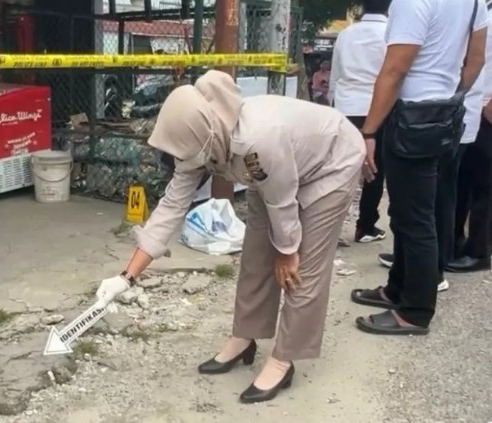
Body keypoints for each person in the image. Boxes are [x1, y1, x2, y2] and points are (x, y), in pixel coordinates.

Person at [95, 70, 366, 404]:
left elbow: (282, 202)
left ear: (205, 140)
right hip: (272, 173)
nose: (180, 161)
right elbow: (171, 207)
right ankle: (245, 338)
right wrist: (127, 277)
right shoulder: (200, 139)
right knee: (255, 256)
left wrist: (287, 251)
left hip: (330, 163)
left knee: (302, 267)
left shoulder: (256, 140)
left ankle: (284, 359)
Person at [351, 0, 487, 335]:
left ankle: (414, 311)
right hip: (445, 115)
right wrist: (452, 95)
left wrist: (369, 131)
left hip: (412, 117)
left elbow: (395, 70)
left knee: (415, 219)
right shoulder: (471, 3)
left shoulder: (413, 2)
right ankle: (396, 288)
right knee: (410, 211)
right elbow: (476, 59)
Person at [329, 0, 391, 243]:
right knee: (375, 170)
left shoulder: (346, 34)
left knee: (340, 170)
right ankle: (365, 225)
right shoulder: (391, 34)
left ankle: (329, 228)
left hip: (346, 107)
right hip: (378, 108)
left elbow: (336, 75)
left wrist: (335, 106)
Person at [449, 0, 492, 273]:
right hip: (470, 106)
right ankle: (453, 241)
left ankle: (479, 251)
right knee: (462, 179)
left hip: (487, 107)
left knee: (485, 185)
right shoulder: (480, 9)